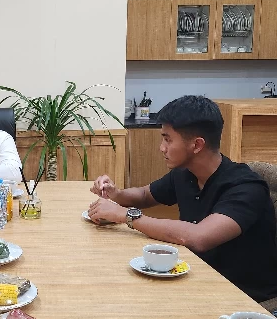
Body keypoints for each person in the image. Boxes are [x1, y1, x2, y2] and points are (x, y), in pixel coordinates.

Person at [88, 95, 277, 304]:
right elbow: (144, 195)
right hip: (198, 277)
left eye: (168, 139)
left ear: (196, 145)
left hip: (245, 297)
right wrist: (115, 193)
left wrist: (125, 215)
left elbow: (198, 238)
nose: (162, 147)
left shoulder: (245, 188)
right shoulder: (185, 173)